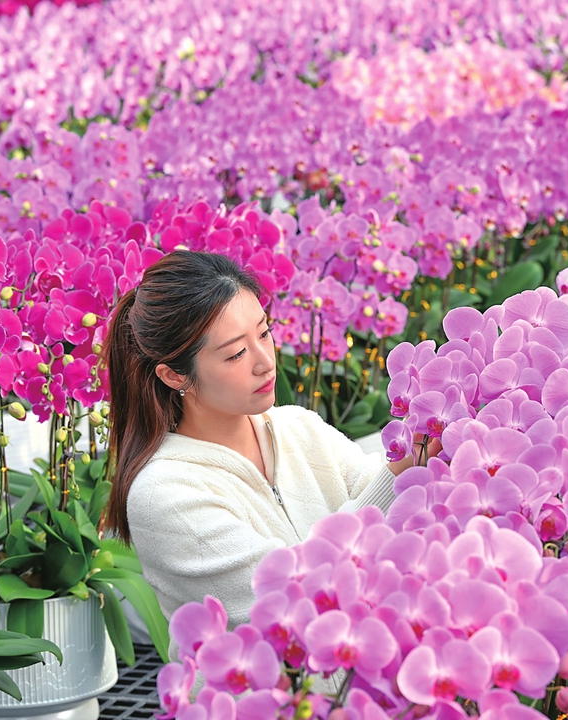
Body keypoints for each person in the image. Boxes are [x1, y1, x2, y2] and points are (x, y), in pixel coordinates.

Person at [101, 250, 437, 634]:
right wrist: (399, 472)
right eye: (236, 353)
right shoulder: (164, 494)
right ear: (174, 375)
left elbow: (403, 523)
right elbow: (290, 597)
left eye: (264, 332)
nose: (265, 361)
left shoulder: (300, 428)